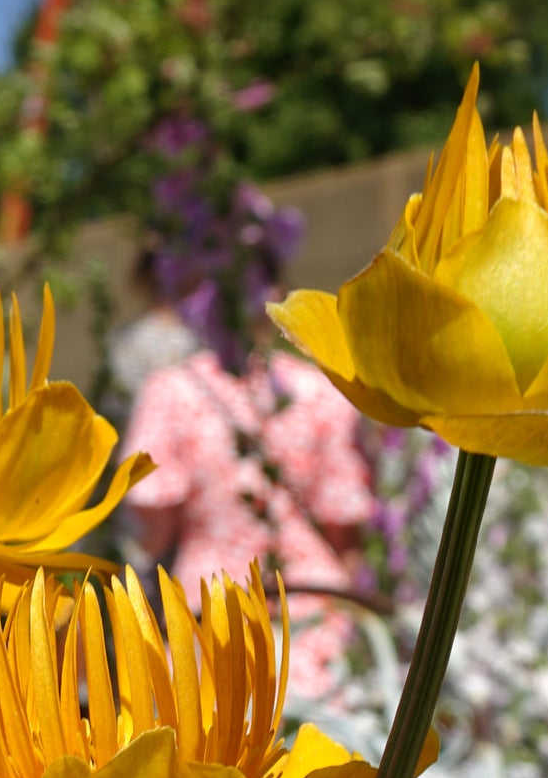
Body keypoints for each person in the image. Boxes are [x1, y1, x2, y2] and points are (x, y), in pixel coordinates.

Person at [116, 254, 377, 716]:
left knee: (206, 742)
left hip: (210, 612)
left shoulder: (171, 391)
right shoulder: (321, 390)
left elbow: (152, 527)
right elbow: (345, 531)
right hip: (315, 616)